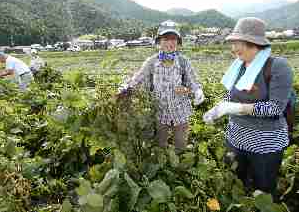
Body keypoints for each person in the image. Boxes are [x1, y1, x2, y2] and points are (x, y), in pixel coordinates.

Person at [203, 17, 293, 199]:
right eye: (233, 43)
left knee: (264, 191)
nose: (233, 48)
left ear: (254, 43)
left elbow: (275, 108)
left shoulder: (277, 66)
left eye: (238, 43)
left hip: (265, 144)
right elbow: (232, 95)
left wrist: (237, 108)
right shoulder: (239, 66)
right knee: (237, 184)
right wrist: (218, 108)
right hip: (235, 139)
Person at [118, 20, 204, 153]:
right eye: (166, 38)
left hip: (180, 111)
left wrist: (197, 90)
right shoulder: (152, 62)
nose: (170, 42)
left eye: (173, 39)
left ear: (178, 41)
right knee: (160, 147)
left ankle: (179, 167)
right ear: (159, 41)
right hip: (160, 111)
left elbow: (193, 81)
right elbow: (138, 78)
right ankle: (163, 167)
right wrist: (125, 87)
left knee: (180, 146)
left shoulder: (183, 61)